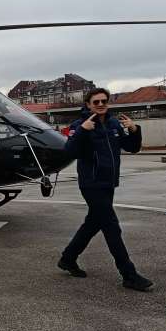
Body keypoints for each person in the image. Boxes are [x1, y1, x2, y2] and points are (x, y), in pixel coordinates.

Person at [57, 88, 154, 291]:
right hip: (91, 184)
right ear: (88, 104)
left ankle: (68, 258)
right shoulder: (79, 125)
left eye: (104, 101)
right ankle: (129, 275)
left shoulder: (113, 124)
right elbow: (69, 152)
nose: (101, 104)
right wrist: (83, 130)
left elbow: (132, 148)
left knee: (93, 223)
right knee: (111, 227)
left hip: (109, 182)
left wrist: (134, 130)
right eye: (96, 102)